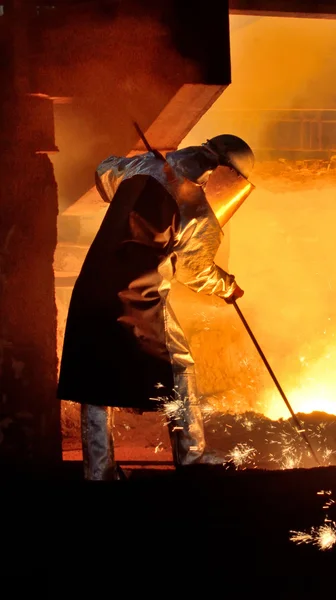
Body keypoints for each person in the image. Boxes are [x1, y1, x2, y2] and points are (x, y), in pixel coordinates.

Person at [57, 133, 255, 480]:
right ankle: (192, 456)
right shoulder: (196, 211)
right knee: (179, 365)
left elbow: (105, 170)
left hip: (93, 285)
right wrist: (228, 287)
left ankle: (98, 473)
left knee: (94, 374)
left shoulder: (143, 165)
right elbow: (195, 272)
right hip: (139, 297)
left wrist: (141, 174)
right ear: (225, 173)